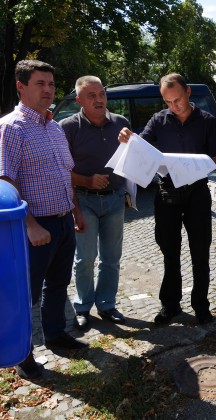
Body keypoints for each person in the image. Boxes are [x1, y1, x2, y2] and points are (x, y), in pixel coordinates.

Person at [0, 60, 88, 380]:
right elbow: (5, 181)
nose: (48, 90)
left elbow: (65, 174)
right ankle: (21, 354)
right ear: (21, 87)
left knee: (58, 284)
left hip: (63, 221)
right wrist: (30, 225)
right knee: (26, 295)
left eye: (51, 84)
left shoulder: (54, 127)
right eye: (40, 83)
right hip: (34, 227)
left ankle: (55, 334)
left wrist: (75, 210)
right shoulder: (11, 127)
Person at [118, 73, 216, 325]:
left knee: (200, 252)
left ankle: (201, 305)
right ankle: (170, 304)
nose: (173, 106)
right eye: (168, 102)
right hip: (167, 193)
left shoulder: (207, 121)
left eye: (177, 100)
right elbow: (140, 147)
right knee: (170, 252)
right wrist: (126, 138)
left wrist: (191, 164)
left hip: (197, 192)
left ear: (188, 92)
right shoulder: (159, 120)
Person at [60, 76, 131, 330]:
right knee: (85, 258)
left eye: (101, 94)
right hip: (83, 200)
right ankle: (82, 307)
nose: (99, 99)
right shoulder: (67, 127)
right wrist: (87, 181)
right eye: (91, 96)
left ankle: (107, 304)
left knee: (111, 257)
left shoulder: (121, 123)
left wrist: (132, 142)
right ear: (79, 100)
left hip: (114, 199)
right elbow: (60, 170)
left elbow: (133, 159)